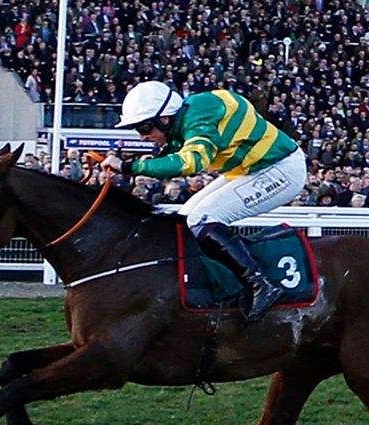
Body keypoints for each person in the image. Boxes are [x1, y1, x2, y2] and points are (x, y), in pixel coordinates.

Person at [101, 81, 307, 322]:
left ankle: (260, 285)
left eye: (145, 127)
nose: (144, 136)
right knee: (185, 220)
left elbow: (190, 163)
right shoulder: (185, 118)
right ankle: (212, 284)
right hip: (249, 169)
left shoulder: (200, 115)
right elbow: (176, 153)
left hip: (280, 168)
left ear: (165, 119)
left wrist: (128, 167)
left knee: (203, 218)